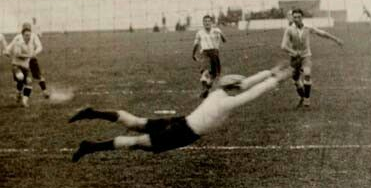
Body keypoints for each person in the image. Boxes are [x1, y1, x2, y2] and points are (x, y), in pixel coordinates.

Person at [69, 65, 293, 162]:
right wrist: (274, 79)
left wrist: (268, 73)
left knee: (137, 122)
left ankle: (92, 112)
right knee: (137, 142)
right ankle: (90, 146)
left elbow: (245, 84)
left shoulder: (218, 92)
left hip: (180, 121)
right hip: (183, 132)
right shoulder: (226, 103)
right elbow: (250, 92)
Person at [281, 8, 343, 108]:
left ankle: (307, 100)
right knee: (296, 80)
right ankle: (302, 97)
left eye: (299, 17)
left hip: (306, 56)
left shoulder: (308, 27)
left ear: (302, 17)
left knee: (307, 74)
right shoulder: (289, 30)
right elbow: (283, 46)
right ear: (292, 18)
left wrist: (336, 39)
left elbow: (322, 33)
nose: (297, 19)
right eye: (295, 17)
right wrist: (293, 52)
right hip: (294, 58)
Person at [5, 23, 45, 107]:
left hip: (26, 66)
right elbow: (17, 54)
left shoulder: (32, 39)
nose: (28, 37)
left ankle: (24, 101)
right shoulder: (18, 41)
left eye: (29, 35)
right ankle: (18, 93)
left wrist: (34, 53)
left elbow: (39, 47)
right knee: (20, 77)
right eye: (26, 35)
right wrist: (7, 51)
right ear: (22, 34)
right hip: (17, 65)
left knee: (29, 82)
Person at [192, 15, 226, 97]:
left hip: (215, 53)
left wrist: (221, 34)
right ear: (203, 23)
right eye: (205, 21)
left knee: (214, 75)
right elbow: (196, 44)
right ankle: (204, 88)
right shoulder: (199, 33)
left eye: (208, 21)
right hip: (205, 53)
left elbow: (225, 40)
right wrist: (193, 54)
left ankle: (207, 87)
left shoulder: (216, 30)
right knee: (205, 71)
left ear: (211, 22)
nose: (207, 23)